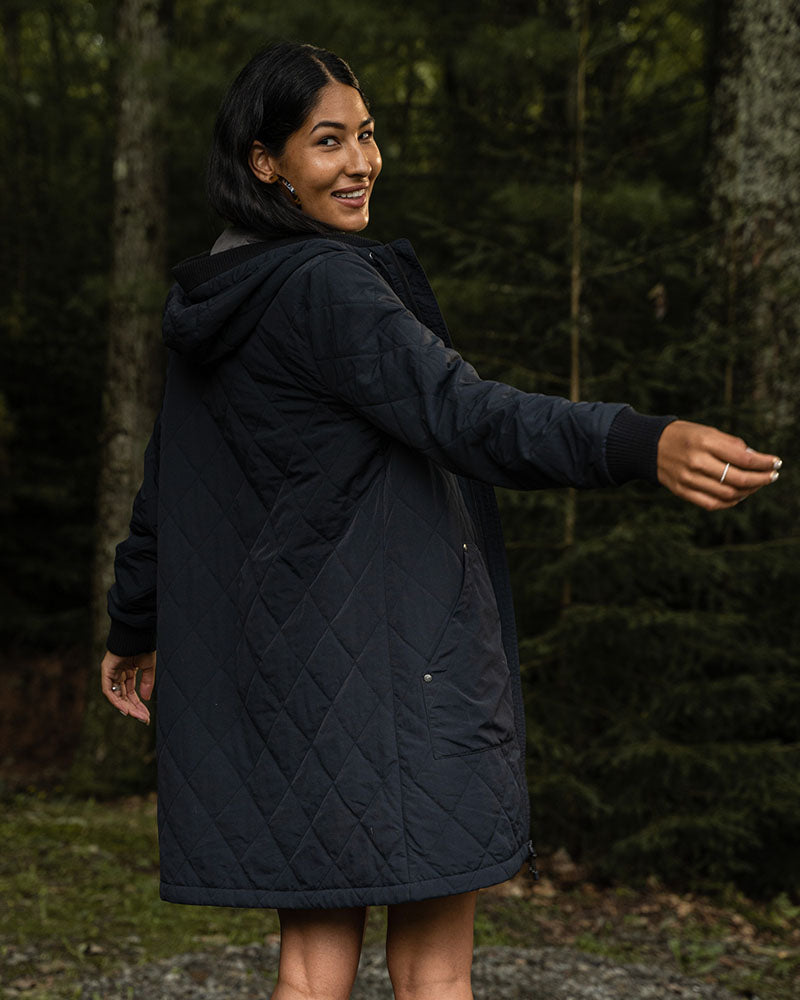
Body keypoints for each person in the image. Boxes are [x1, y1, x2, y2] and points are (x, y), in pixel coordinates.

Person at [100, 42, 781, 1000]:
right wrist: (638, 440)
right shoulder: (327, 285)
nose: (362, 161)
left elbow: (165, 483)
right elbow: (470, 416)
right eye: (328, 141)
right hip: (402, 675)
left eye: (368, 134)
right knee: (433, 972)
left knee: (310, 969)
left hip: (292, 682)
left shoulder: (218, 292)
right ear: (265, 161)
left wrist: (132, 622)